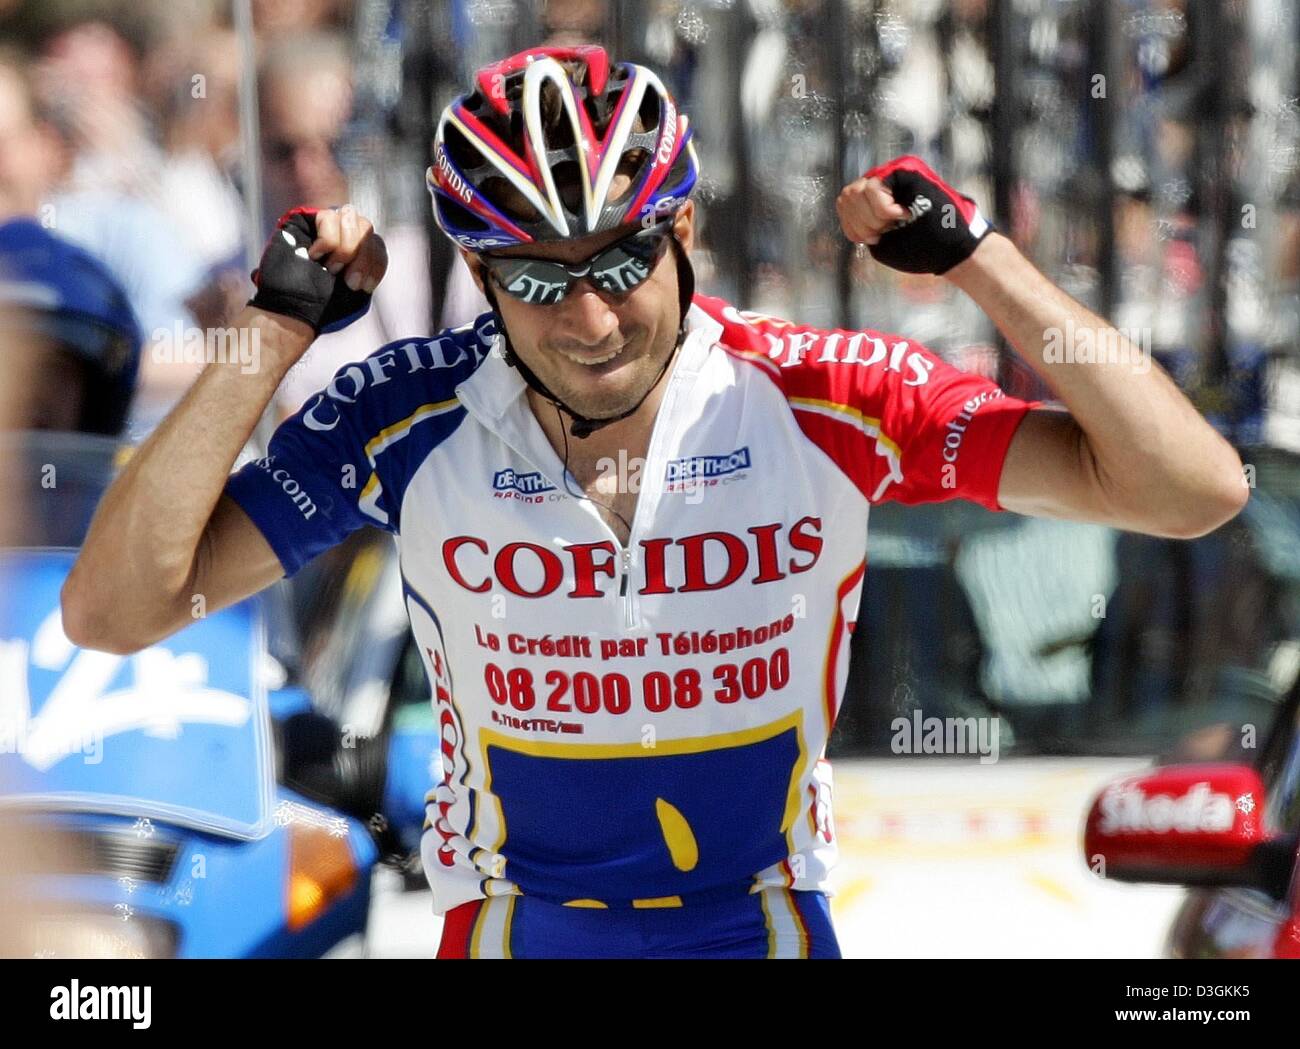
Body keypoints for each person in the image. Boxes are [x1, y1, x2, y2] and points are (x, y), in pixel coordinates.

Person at [62, 45, 1248, 959]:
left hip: (759, 925)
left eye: (621, 261)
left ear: (686, 231)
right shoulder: (405, 416)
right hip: (517, 928)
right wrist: (270, 328)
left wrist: (978, 256)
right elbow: (116, 610)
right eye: (535, 275)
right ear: (478, 273)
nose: (587, 319)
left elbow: (1188, 488)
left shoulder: (819, 394)